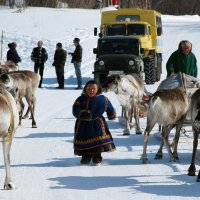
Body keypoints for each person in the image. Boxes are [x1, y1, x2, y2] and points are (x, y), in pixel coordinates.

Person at [72, 80, 116, 165]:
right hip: (83, 125)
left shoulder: (102, 99)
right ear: (86, 89)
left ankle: (97, 156)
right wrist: (82, 114)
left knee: (98, 141)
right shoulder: (80, 99)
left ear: (97, 89)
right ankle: (85, 155)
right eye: (89, 89)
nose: (91, 91)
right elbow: (75, 109)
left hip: (97, 124)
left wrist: (111, 114)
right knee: (84, 139)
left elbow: (109, 107)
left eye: (93, 89)